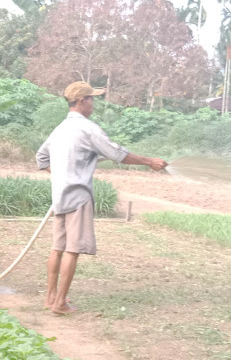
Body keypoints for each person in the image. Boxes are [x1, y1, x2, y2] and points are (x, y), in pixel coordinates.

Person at [36, 81, 168, 315]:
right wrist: (150, 162)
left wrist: (61, 176)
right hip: (78, 196)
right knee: (72, 250)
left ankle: (50, 298)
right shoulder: (88, 129)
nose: (93, 104)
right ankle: (60, 304)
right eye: (91, 99)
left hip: (60, 196)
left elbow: (41, 158)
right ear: (81, 101)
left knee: (58, 247)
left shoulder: (60, 129)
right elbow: (117, 154)